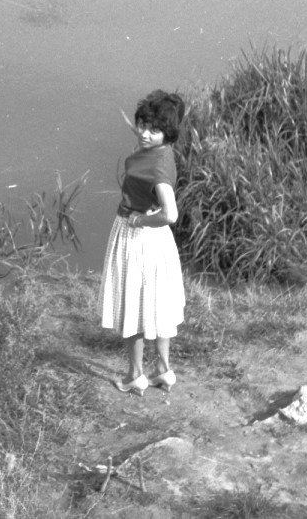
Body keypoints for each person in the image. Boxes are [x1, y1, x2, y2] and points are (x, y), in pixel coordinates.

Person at [97, 89, 186, 396]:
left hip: (137, 235)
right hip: (156, 242)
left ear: (167, 133)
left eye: (155, 130)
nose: (145, 134)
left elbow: (170, 214)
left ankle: (135, 375)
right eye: (143, 126)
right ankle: (163, 370)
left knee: (131, 305)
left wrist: (140, 220)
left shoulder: (157, 166)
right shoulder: (162, 154)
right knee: (158, 303)